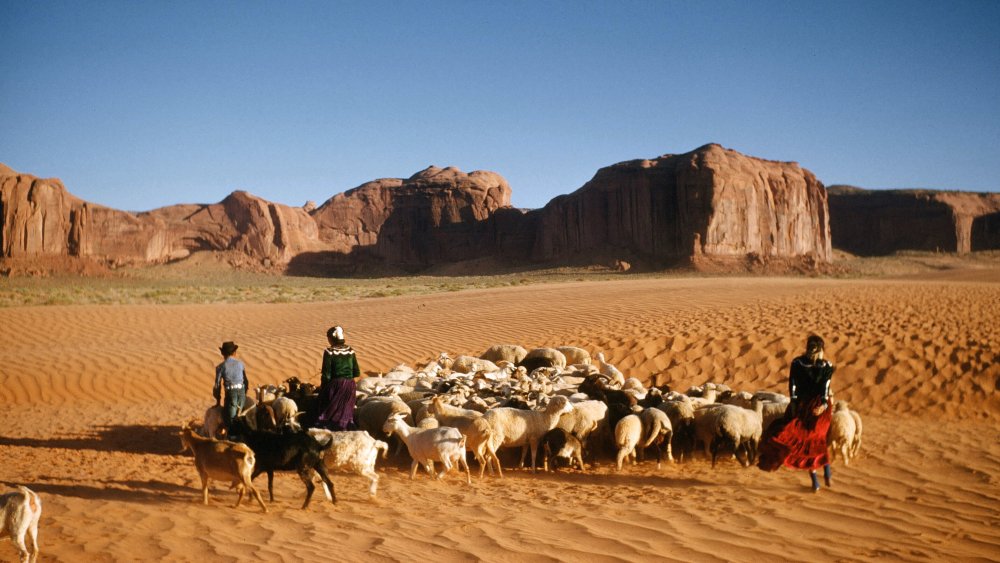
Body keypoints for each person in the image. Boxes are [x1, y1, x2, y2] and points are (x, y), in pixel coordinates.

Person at [758, 334, 835, 492]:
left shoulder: (797, 362)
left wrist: (794, 403)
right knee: (819, 440)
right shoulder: (827, 365)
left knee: (801, 442)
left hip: (801, 405)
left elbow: (792, 384)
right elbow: (825, 389)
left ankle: (815, 482)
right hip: (818, 406)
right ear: (821, 350)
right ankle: (827, 472)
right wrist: (824, 404)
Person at [314, 325, 360, 431]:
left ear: (331, 338)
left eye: (328, 338)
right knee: (346, 413)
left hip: (336, 386)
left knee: (326, 412)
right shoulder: (350, 351)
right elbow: (356, 372)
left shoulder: (329, 352)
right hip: (350, 386)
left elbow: (326, 375)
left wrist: (323, 389)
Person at [213, 341, 249, 439]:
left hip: (231, 395)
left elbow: (217, 386)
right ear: (234, 353)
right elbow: (246, 381)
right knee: (241, 418)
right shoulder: (241, 364)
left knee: (230, 422)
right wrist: (243, 395)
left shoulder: (220, 367)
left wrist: (218, 401)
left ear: (222, 354)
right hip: (241, 393)